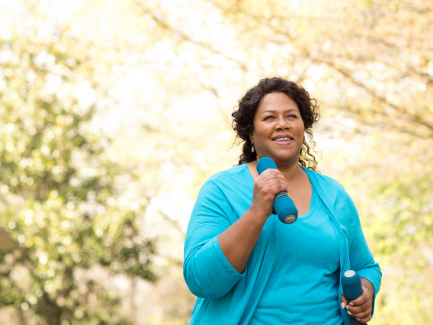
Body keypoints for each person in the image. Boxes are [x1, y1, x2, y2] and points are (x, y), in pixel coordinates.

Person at [183, 77, 381, 325]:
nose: (282, 124)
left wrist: (365, 292)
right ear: (251, 133)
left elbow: (365, 267)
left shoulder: (333, 194)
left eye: (291, 116)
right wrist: (256, 212)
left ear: (303, 127)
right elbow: (201, 280)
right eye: (269, 118)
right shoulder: (221, 190)